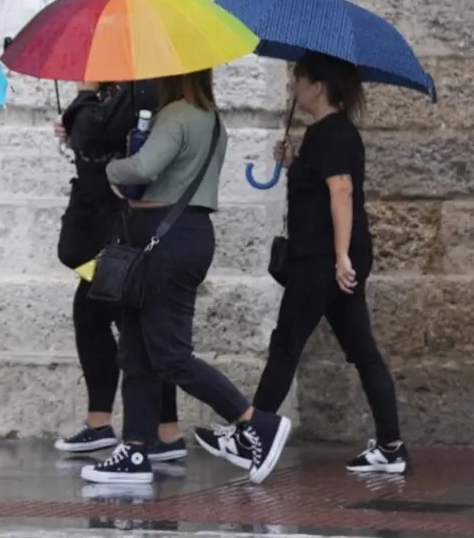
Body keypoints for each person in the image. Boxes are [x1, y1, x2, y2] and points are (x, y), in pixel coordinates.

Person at [194, 52, 408, 475]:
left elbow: (341, 191)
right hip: (329, 258)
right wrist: (294, 163)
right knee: (362, 351)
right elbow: (323, 186)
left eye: (299, 81)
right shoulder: (330, 135)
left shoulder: (330, 134)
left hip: (321, 260)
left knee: (286, 343)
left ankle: (252, 434)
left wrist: (341, 256)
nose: (295, 89)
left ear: (318, 87)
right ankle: (390, 445)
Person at [80, 69, 292, 487]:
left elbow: (145, 166)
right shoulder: (210, 117)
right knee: (136, 352)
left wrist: (110, 168)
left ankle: (255, 424)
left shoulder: (177, 115)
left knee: (170, 354)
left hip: (166, 238)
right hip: (176, 236)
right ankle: (135, 449)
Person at [52, 81, 187, 463]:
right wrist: (75, 116)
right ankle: (121, 425)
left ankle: (162, 432)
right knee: (96, 317)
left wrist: (82, 100)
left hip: (122, 228)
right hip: (102, 228)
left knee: (133, 325)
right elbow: (88, 133)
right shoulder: (115, 93)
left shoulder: (140, 89)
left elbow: (94, 131)